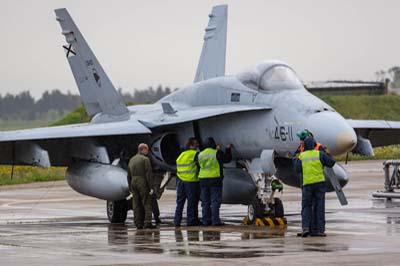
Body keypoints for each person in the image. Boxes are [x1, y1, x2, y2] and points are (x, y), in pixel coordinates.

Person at [293, 137, 335, 237]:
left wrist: (295, 156)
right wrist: (327, 152)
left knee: (306, 206)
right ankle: (320, 230)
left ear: (305, 146)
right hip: (320, 184)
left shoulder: (302, 156)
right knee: (320, 206)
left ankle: (306, 228)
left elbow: (297, 169)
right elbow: (331, 163)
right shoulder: (319, 154)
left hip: (307, 184)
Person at [197, 137, 232, 226]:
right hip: (215, 180)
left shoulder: (200, 154)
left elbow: (198, 165)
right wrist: (228, 149)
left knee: (205, 202)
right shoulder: (217, 153)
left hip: (203, 180)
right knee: (215, 202)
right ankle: (215, 221)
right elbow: (227, 159)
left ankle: (205, 221)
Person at [127, 143, 156, 229]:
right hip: (142, 181)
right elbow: (148, 174)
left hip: (133, 182)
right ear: (142, 149)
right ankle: (147, 222)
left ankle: (138, 223)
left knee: (136, 203)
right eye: (147, 150)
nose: (148, 151)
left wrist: (130, 187)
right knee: (147, 202)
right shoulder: (145, 159)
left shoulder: (132, 159)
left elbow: (128, 175)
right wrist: (151, 187)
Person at [174, 137, 201, 227]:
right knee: (192, 203)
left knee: (180, 203)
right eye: (195, 144)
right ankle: (191, 221)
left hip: (181, 181)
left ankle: (177, 221)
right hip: (191, 181)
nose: (197, 145)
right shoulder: (195, 154)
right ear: (191, 145)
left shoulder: (181, 155)